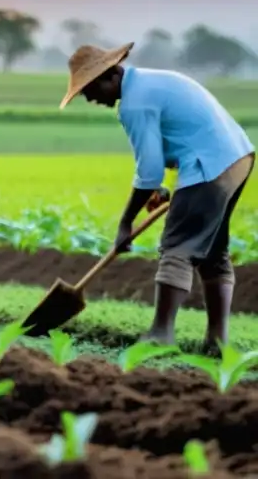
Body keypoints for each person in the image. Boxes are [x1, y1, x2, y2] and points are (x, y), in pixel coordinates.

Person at [61, 42, 254, 348]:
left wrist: (126, 223)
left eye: (90, 91)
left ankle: (160, 333)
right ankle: (218, 340)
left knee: (176, 247)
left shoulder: (134, 103)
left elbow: (149, 170)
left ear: (110, 76)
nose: (91, 100)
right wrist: (159, 189)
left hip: (210, 165)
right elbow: (170, 148)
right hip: (237, 157)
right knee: (213, 252)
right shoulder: (151, 82)